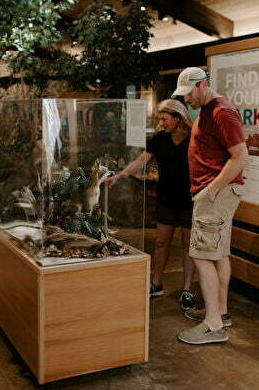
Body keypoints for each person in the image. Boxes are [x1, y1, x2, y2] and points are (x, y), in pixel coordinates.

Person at [172, 67, 249, 345]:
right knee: (216, 254)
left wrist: (211, 190)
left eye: (189, 92)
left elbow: (240, 156)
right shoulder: (209, 109)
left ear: (203, 85)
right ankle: (221, 312)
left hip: (215, 194)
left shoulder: (221, 112)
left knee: (201, 255)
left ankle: (214, 325)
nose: (186, 99)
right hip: (214, 193)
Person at [104, 99, 197, 311]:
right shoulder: (159, 139)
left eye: (164, 119)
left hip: (190, 200)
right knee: (161, 242)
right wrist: (118, 176)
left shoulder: (194, 139)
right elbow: (139, 162)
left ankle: (187, 289)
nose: (161, 123)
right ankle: (156, 284)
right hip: (166, 199)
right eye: (159, 119)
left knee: (187, 245)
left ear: (178, 118)